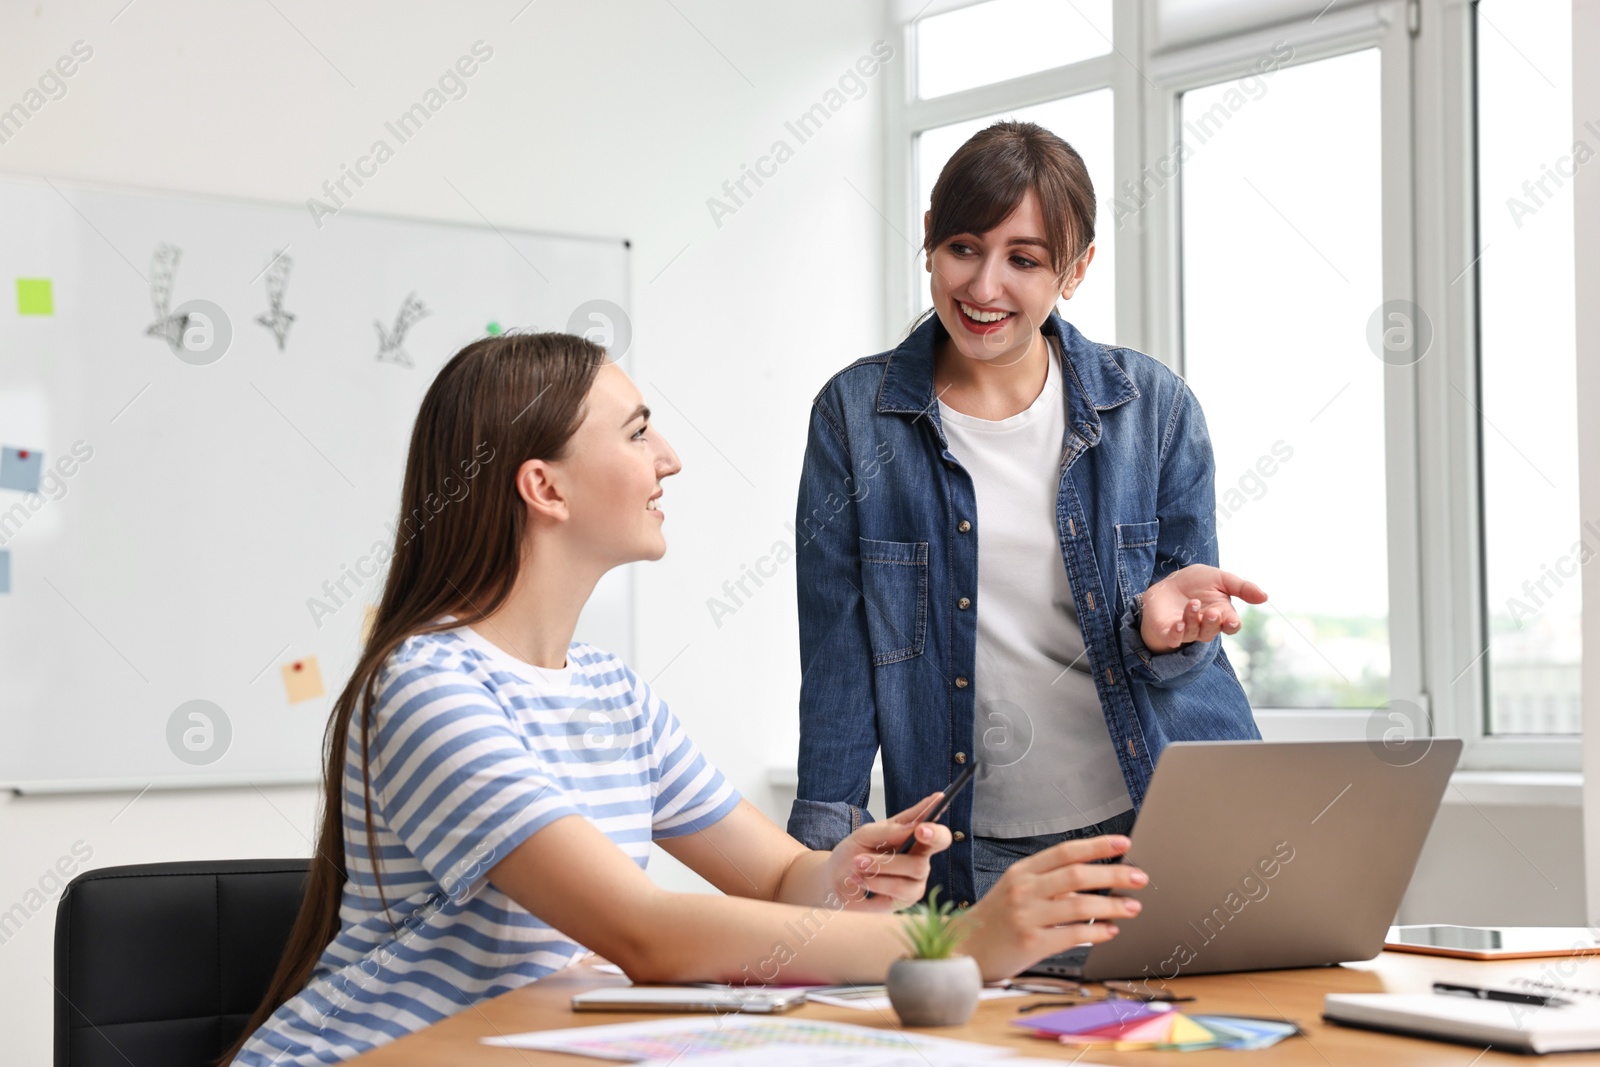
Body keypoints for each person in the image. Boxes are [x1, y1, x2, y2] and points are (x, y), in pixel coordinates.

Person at [225, 331, 1147, 1066]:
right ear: (542, 486)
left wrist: (844, 877)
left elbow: (780, 876)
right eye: (635, 432)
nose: (668, 458)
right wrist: (961, 940)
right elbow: (648, 933)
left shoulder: (610, 693)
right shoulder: (427, 687)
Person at [787, 121, 1267, 906]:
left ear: (1074, 271)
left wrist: (1160, 631)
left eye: (1024, 259)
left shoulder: (1152, 408)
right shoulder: (855, 415)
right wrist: (821, 866)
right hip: (969, 853)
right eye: (964, 248)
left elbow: (1188, 647)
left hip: (1162, 822)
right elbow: (839, 658)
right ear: (929, 242)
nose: (983, 288)